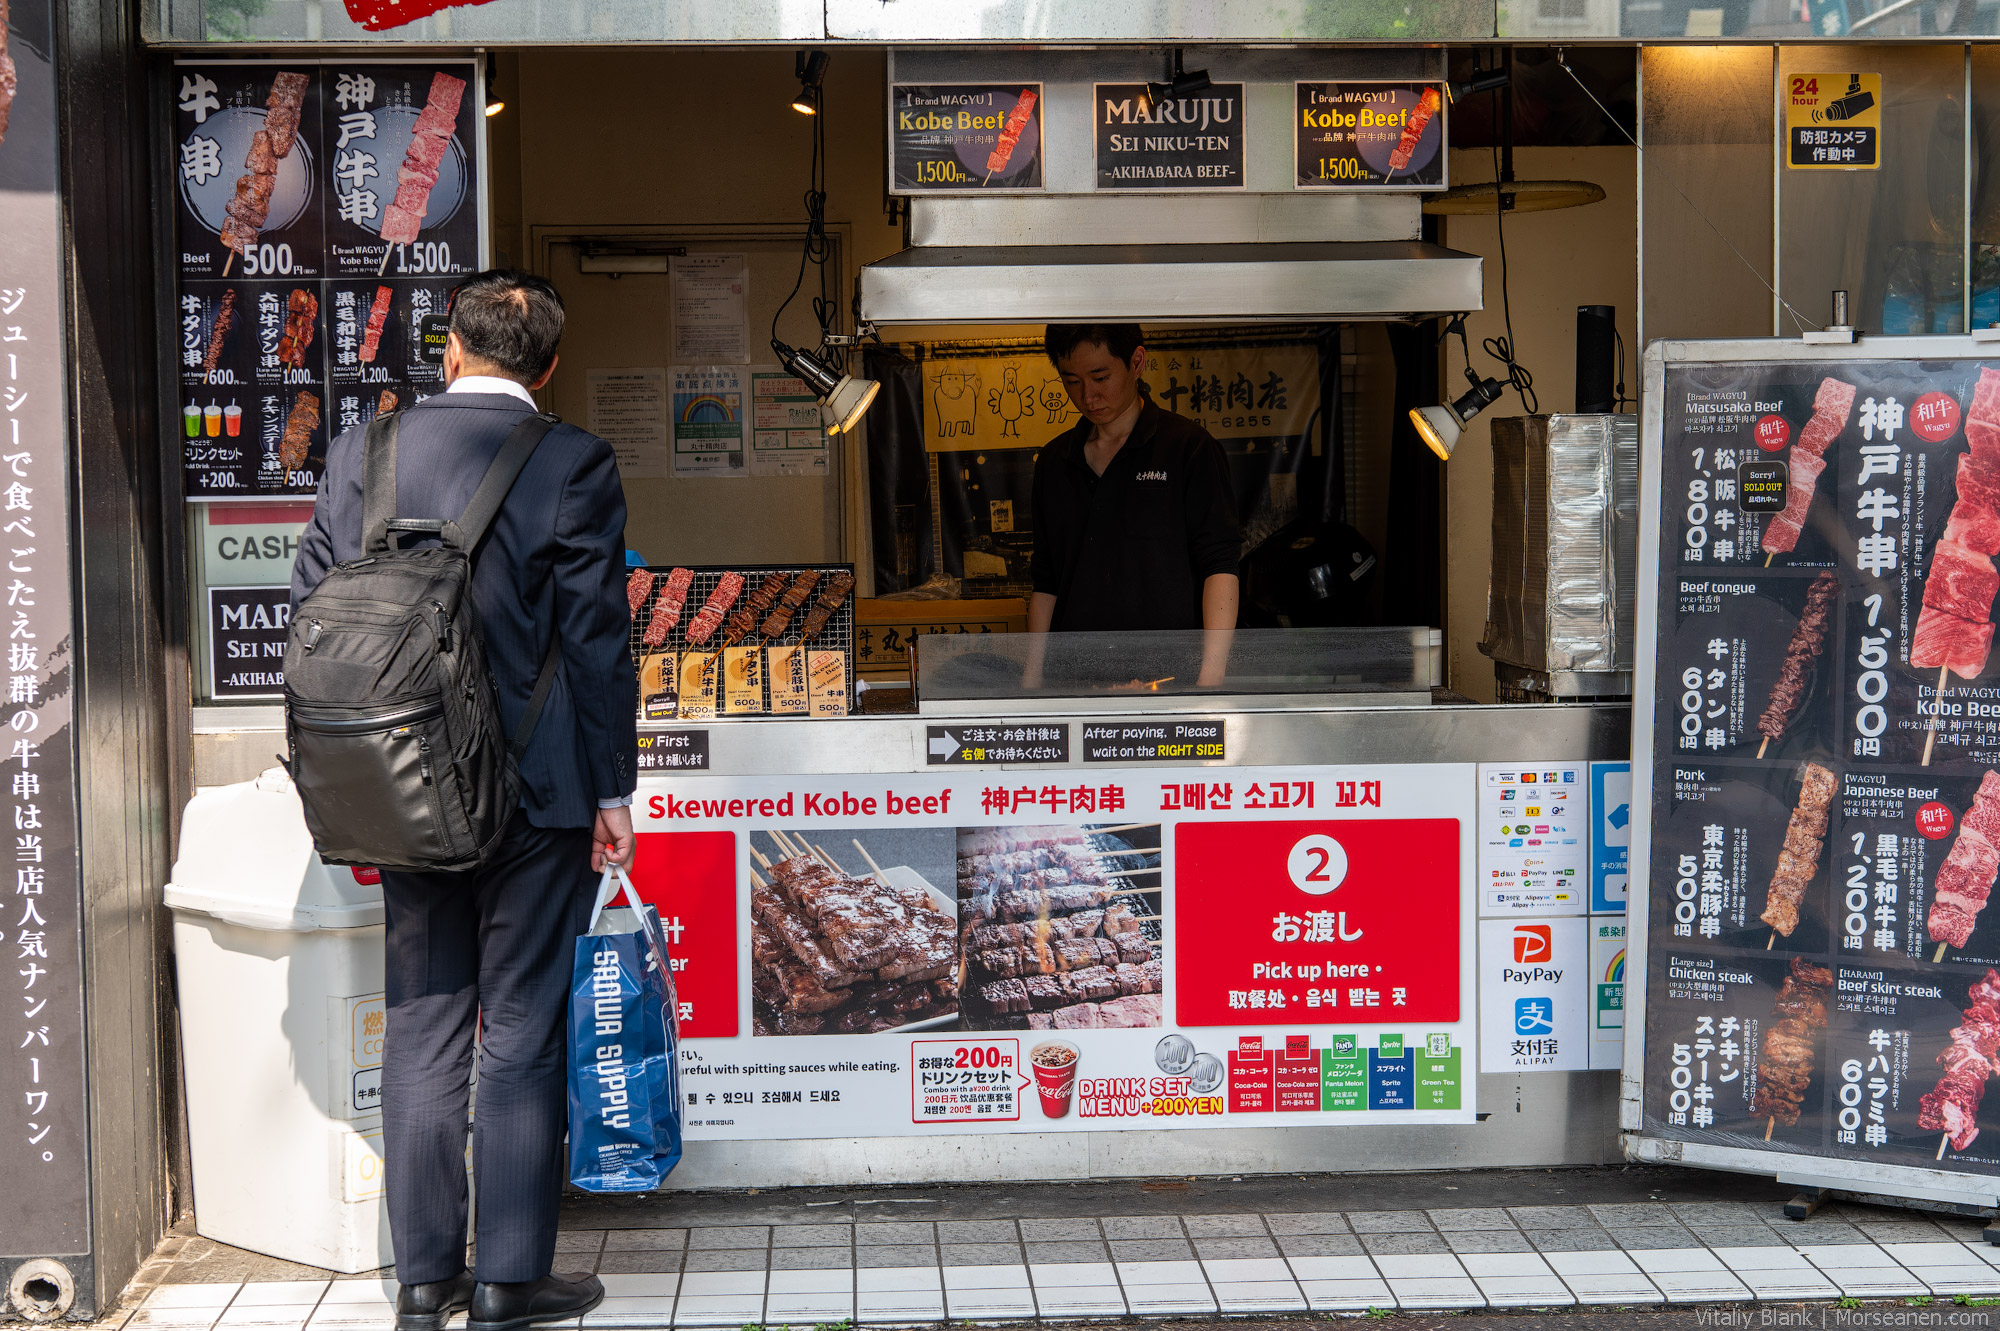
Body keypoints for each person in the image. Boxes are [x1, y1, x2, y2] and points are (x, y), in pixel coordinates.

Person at [291, 270, 636, 1331]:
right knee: (520, 1024)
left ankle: (424, 1277)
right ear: (550, 367)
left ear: (448, 350)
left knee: (424, 1020)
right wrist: (611, 788)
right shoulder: (572, 462)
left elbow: (310, 603)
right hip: (535, 795)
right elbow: (594, 642)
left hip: (399, 783)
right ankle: (509, 1279)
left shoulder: (365, 449)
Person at [1027, 323, 1241, 686]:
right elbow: (1047, 581)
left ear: (1137, 362)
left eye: (1100, 377)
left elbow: (1219, 566)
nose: (1087, 396)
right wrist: (1031, 681)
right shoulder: (1054, 461)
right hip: (1076, 685)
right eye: (1072, 381)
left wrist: (1210, 681)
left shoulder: (1189, 449)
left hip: (1170, 682)